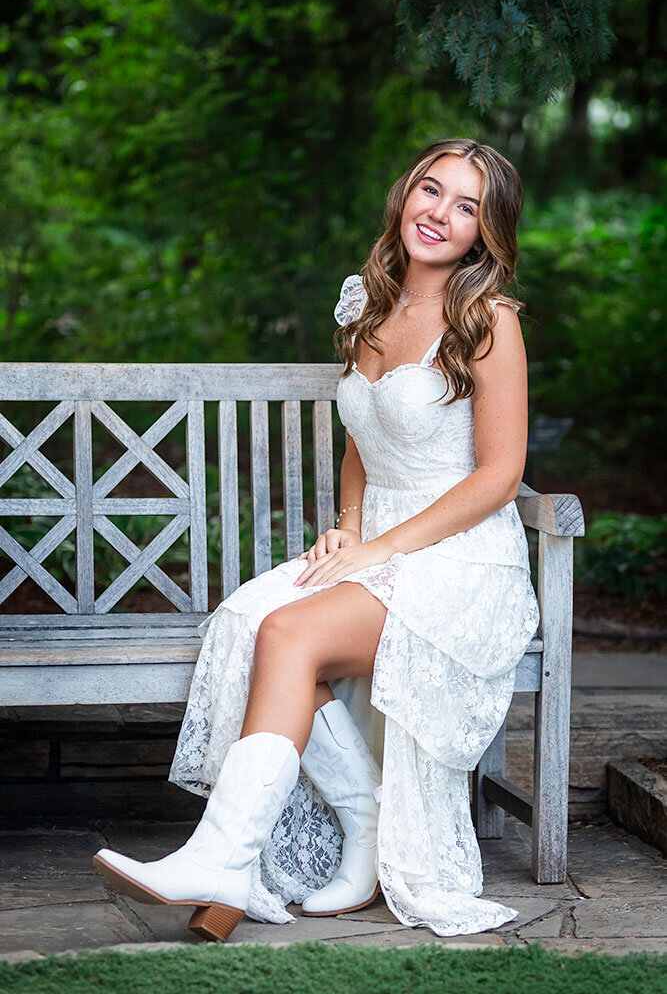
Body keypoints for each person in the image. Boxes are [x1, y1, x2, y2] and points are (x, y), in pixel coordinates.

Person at [93, 137, 540, 942]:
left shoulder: (486, 322)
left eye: (465, 205)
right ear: (405, 196)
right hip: (375, 543)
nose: (438, 214)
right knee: (243, 620)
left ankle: (224, 860)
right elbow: (360, 446)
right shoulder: (369, 308)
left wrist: (377, 550)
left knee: (288, 631)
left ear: (486, 231)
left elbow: (497, 477)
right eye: (430, 191)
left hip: (463, 558)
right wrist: (344, 532)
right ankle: (354, 823)